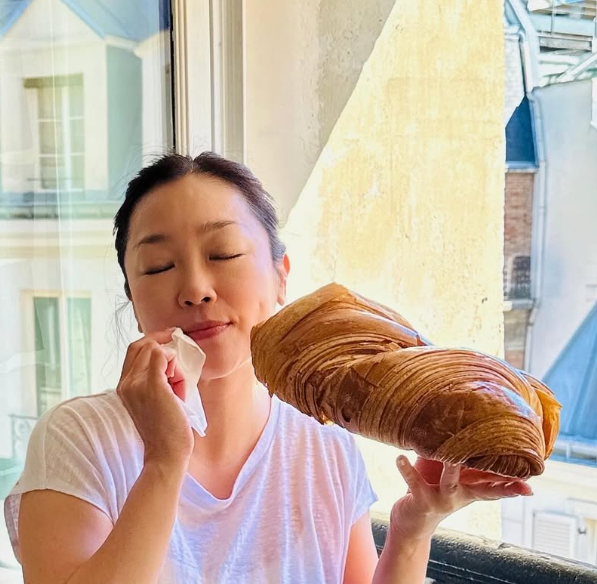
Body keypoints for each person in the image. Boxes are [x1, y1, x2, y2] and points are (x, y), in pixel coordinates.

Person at [4, 153, 532, 584]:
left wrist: (415, 527)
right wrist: (164, 459)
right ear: (134, 301)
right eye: (159, 267)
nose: (195, 289)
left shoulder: (322, 441)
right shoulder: (80, 438)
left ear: (281, 276)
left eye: (223, 254)